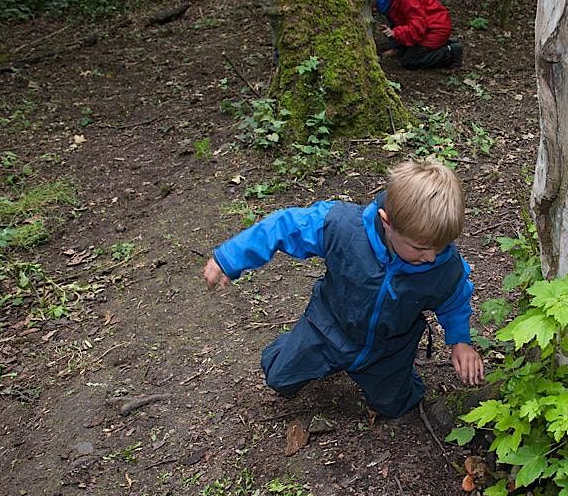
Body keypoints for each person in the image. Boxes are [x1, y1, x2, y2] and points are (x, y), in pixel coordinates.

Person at [202, 160, 484, 419]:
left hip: (388, 347)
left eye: (441, 247)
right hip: (327, 328)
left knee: (399, 406)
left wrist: (459, 341)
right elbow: (286, 226)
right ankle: (292, 350)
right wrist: (230, 258)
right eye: (422, 248)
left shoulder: (445, 265)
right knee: (278, 377)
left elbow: (454, 299)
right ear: (387, 223)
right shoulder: (343, 226)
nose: (432, 257)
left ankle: (390, 380)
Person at [374, 0, 463, 70]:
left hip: (435, 29)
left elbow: (418, 26)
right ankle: (435, 45)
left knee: (410, 61)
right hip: (430, 25)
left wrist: (396, 33)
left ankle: (451, 52)